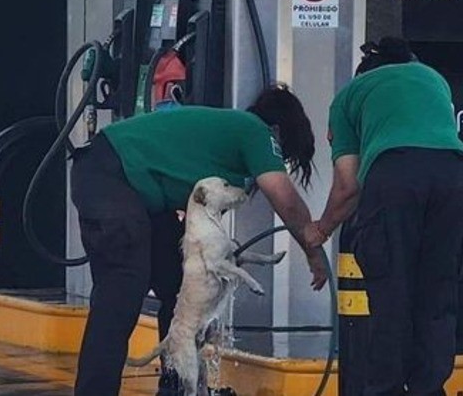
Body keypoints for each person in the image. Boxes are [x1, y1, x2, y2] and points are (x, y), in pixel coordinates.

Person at [71, 84, 329, 396]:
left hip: (135, 188)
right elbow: (284, 197)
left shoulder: (230, 133)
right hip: (113, 177)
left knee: (180, 287)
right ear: (277, 130)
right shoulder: (257, 131)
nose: (278, 161)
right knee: (121, 294)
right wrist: (312, 250)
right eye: (283, 154)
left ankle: (177, 387)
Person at [309, 37, 463, 395]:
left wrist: (320, 230)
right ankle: (428, 389)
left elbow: (347, 187)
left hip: (394, 178)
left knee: (391, 295)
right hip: (454, 177)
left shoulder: (350, 96)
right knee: (437, 295)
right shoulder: (432, 78)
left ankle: (386, 390)